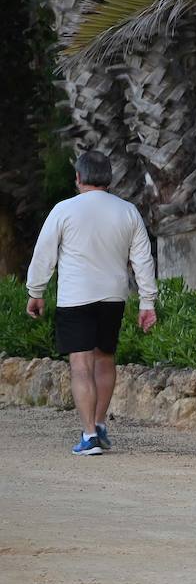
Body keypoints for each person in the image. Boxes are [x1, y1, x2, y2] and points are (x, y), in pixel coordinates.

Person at [24, 150, 158, 455]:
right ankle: (99, 426)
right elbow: (143, 260)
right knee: (105, 360)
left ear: (78, 178)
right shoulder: (127, 211)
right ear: (108, 178)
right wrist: (147, 302)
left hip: (75, 298)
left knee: (80, 365)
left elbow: (44, 254)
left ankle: (88, 437)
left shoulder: (64, 209)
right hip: (113, 297)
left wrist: (36, 291)